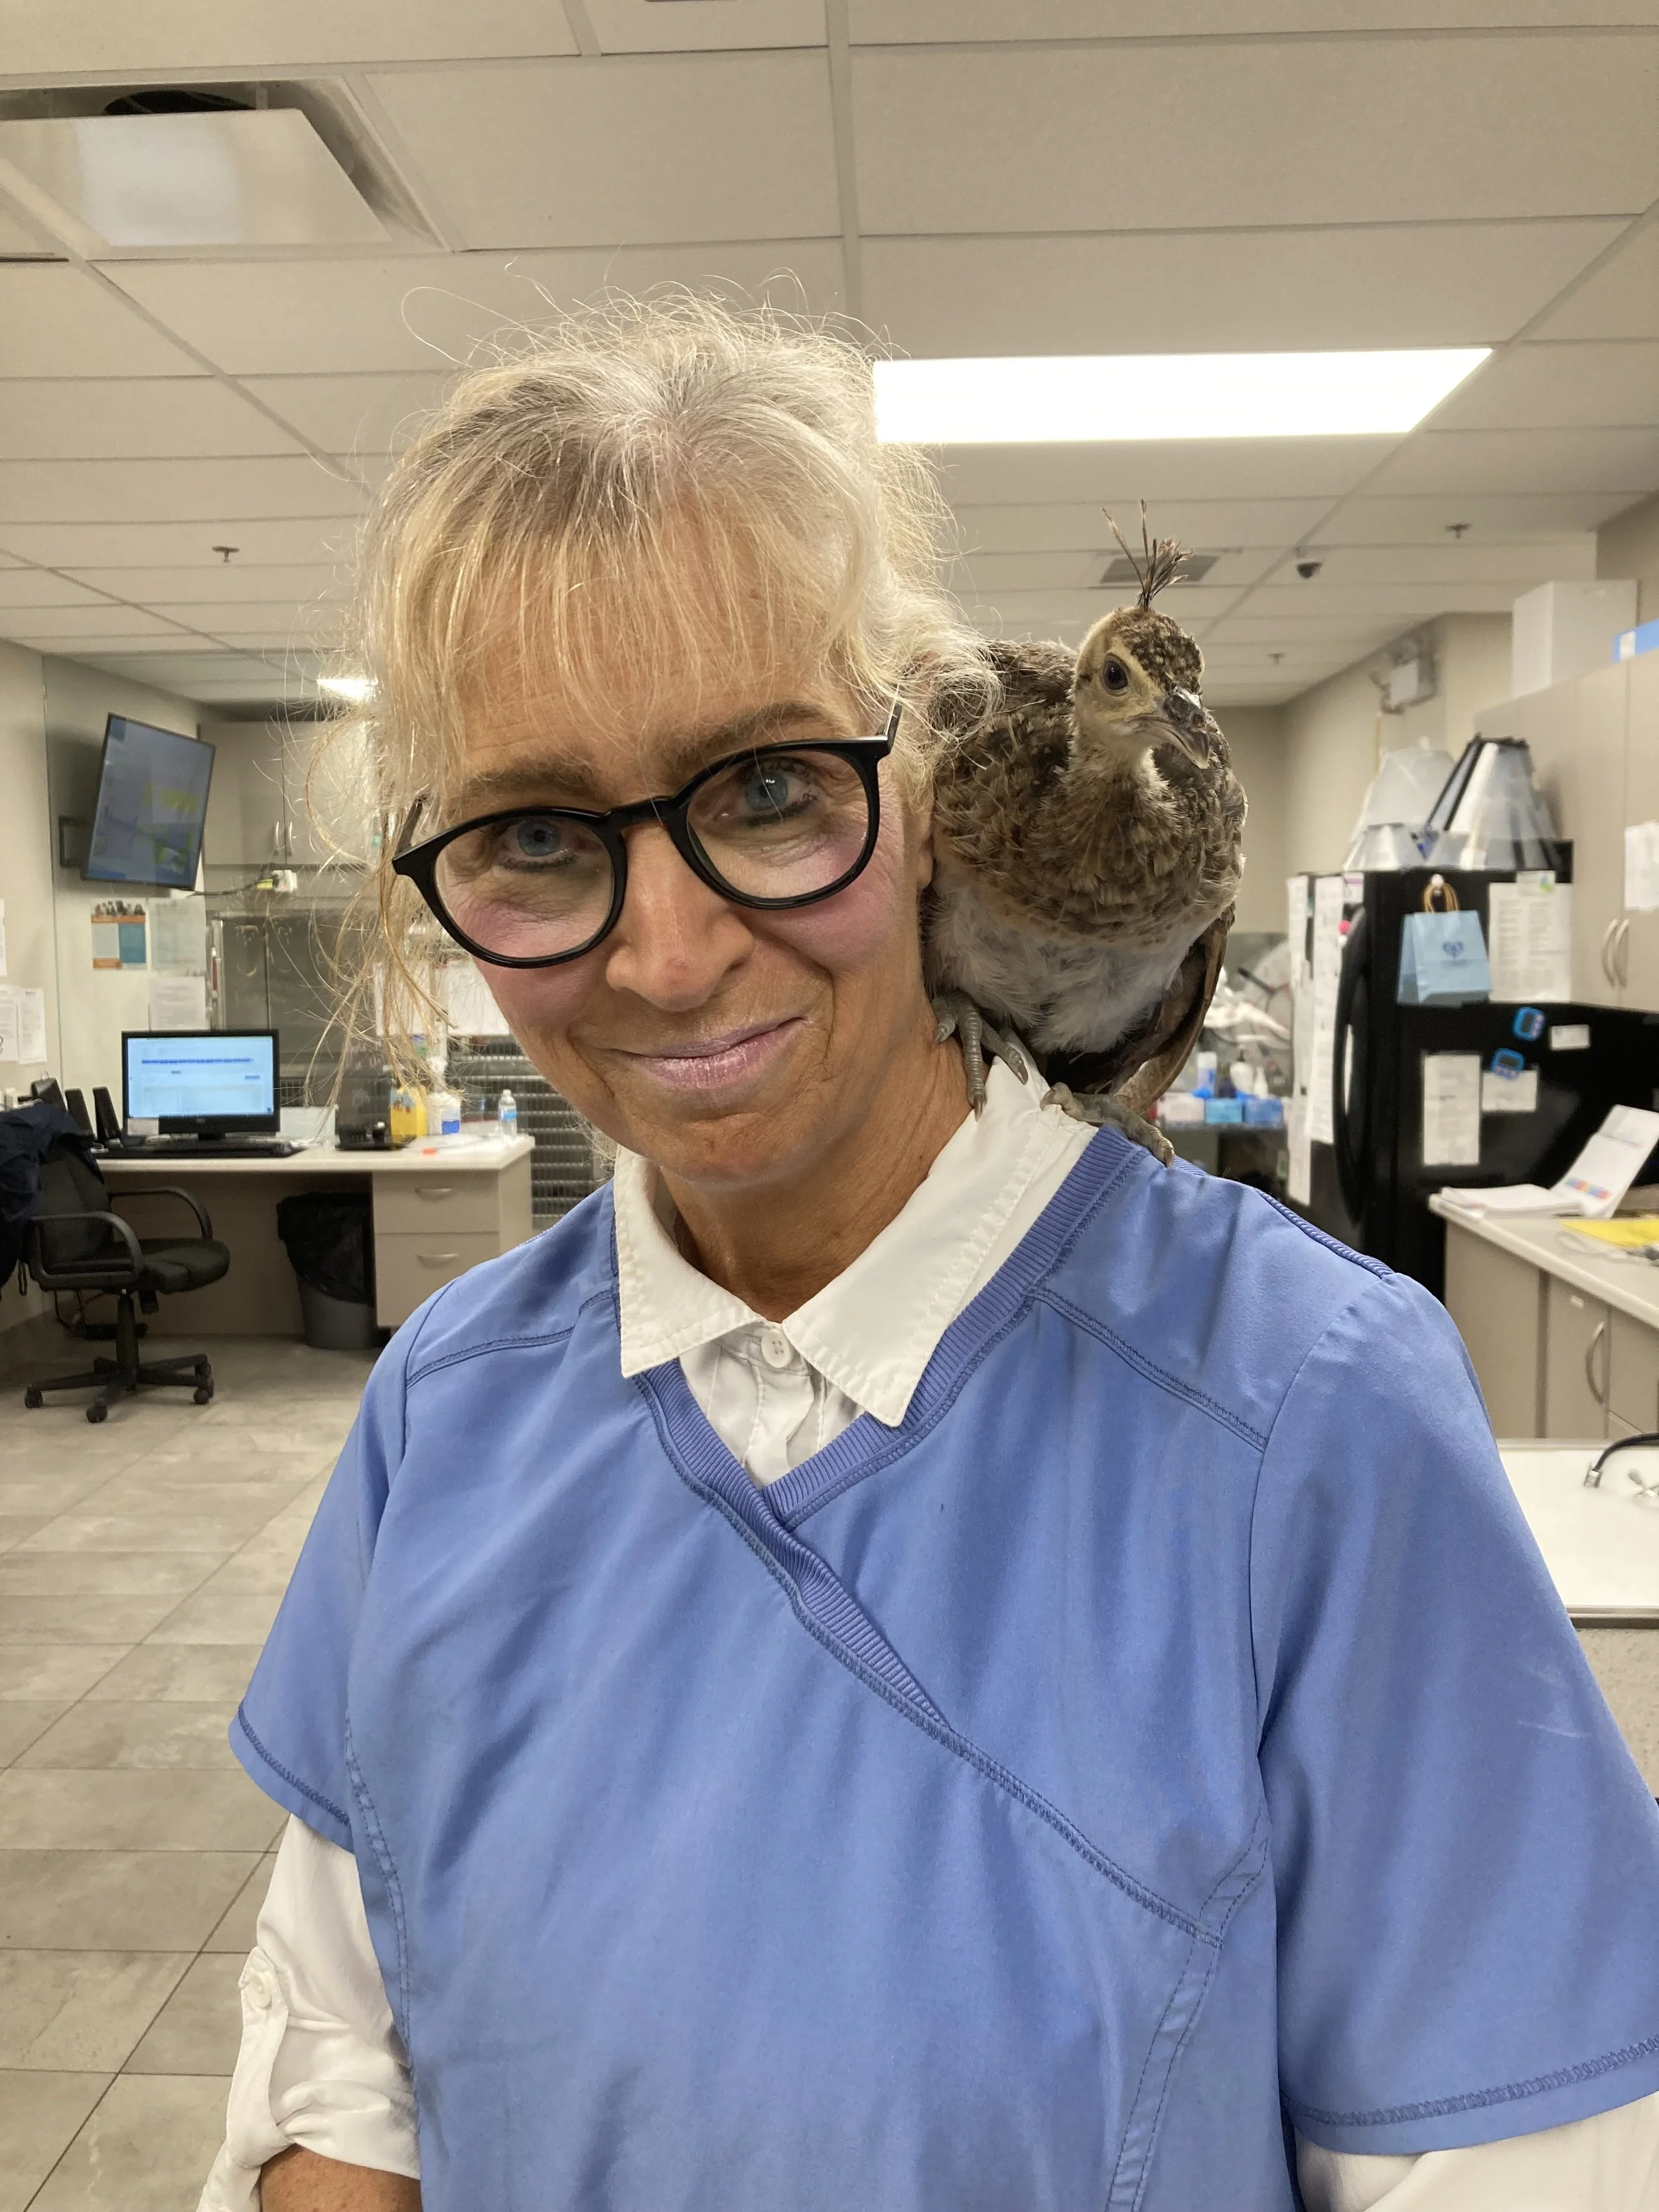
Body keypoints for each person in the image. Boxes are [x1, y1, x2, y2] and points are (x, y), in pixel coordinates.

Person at [202, 299, 1659, 2212]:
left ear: (922, 793)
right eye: (538, 835)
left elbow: (1512, 2162)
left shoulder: (1306, 1409)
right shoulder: (446, 1409)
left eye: (767, 789)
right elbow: (342, 2091)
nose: (661, 953)